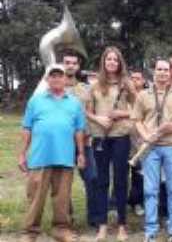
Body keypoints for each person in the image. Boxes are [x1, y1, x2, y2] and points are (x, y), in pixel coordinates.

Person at [19, 64, 86, 242]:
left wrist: (80, 153)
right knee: (36, 197)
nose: (56, 79)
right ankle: (30, 232)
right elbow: (27, 128)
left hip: (64, 156)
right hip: (40, 157)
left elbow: (79, 130)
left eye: (60, 76)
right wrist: (22, 154)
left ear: (66, 79)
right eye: (53, 76)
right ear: (47, 79)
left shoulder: (74, 103)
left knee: (62, 198)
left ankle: (61, 229)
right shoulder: (35, 101)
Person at [132, 59, 172, 242]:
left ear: (171, 72)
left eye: (166, 70)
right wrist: (146, 136)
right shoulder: (143, 95)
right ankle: (150, 231)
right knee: (150, 190)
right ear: (154, 71)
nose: (163, 73)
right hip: (150, 147)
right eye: (160, 69)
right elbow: (137, 120)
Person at [85, 47, 137, 241]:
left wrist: (121, 114)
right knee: (102, 181)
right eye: (109, 59)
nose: (112, 62)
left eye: (115, 59)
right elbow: (88, 112)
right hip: (101, 137)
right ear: (104, 62)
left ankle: (122, 225)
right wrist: (99, 119)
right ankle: (102, 226)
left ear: (119, 62)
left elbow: (138, 109)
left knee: (121, 181)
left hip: (121, 136)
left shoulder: (127, 83)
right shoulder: (95, 85)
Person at [61, 50, 99, 228]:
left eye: (74, 63)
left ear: (78, 66)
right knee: (63, 182)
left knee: (92, 179)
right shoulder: (54, 89)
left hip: (85, 142)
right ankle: (66, 218)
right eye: (67, 62)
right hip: (62, 144)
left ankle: (94, 217)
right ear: (62, 64)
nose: (70, 66)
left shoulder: (86, 89)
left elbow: (91, 114)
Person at [128, 68, 147, 217]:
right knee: (120, 176)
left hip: (140, 142)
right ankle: (118, 203)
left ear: (144, 81)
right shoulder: (124, 97)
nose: (135, 81)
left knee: (139, 175)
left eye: (138, 78)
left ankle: (137, 203)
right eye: (132, 78)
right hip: (124, 140)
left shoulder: (147, 97)